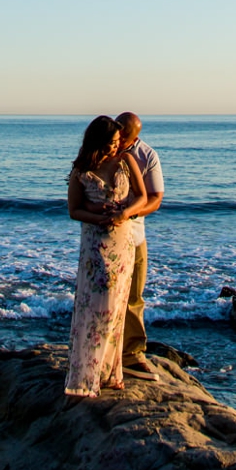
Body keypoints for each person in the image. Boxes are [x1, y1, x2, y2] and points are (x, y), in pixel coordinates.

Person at [65, 115, 147, 397]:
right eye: (111, 143)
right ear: (97, 142)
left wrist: (125, 213)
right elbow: (74, 210)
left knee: (116, 308)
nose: (116, 147)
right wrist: (98, 217)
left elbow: (143, 196)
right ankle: (87, 373)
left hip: (122, 244)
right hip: (95, 245)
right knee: (96, 306)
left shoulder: (126, 161)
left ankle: (111, 372)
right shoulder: (81, 170)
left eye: (118, 142)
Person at [114, 111, 165, 380]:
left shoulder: (146, 156)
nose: (119, 138)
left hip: (134, 236)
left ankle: (132, 354)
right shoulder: (103, 148)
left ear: (135, 136)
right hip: (105, 236)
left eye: (125, 135)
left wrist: (129, 213)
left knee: (134, 296)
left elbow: (155, 199)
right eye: (117, 131)